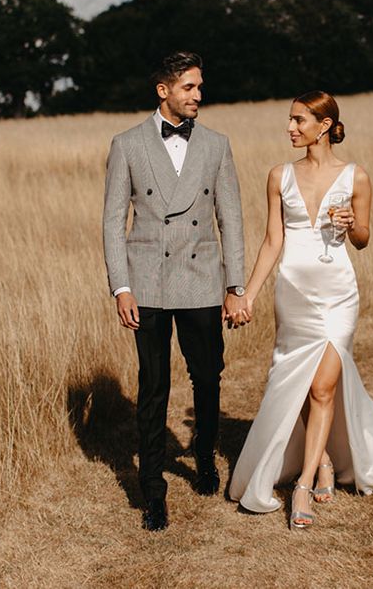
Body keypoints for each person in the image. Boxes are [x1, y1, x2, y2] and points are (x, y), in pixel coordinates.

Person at [228, 90, 373, 529]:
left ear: (324, 126)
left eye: (299, 120)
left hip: (338, 292)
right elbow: (272, 241)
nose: (290, 128)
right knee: (302, 381)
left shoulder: (356, 176)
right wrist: (249, 293)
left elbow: (363, 239)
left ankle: (301, 484)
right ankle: (320, 460)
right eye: (290, 120)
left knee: (323, 387)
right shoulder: (278, 175)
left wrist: (351, 225)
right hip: (294, 290)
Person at [103, 51, 247, 532]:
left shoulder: (217, 145)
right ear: (163, 90)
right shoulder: (126, 144)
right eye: (189, 87)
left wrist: (235, 285)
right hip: (147, 283)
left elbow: (231, 219)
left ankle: (204, 455)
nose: (198, 95)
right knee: (153, 387)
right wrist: (121, 286)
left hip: (203, 280)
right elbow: (111, 223)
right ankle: (153, 493)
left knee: (207, 378)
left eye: (200, 86)